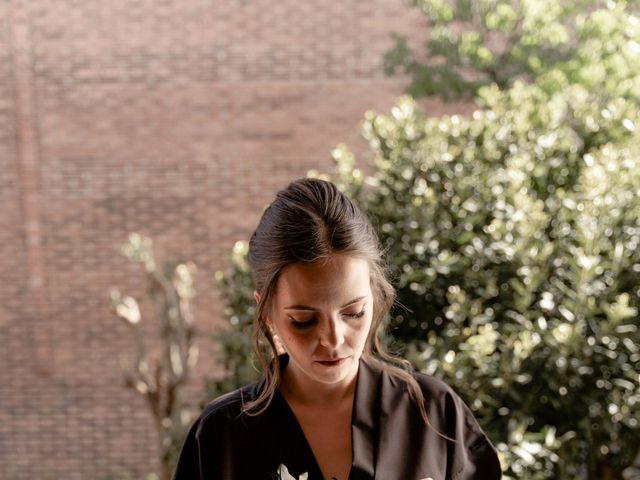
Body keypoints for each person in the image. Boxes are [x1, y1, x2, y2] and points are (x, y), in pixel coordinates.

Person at [173, 178, 502, 480]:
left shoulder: (434, 413)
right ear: (267, 313)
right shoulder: (221, 436)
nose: (333, 339)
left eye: (354, 313)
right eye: (304, 320)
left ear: (373, 298)